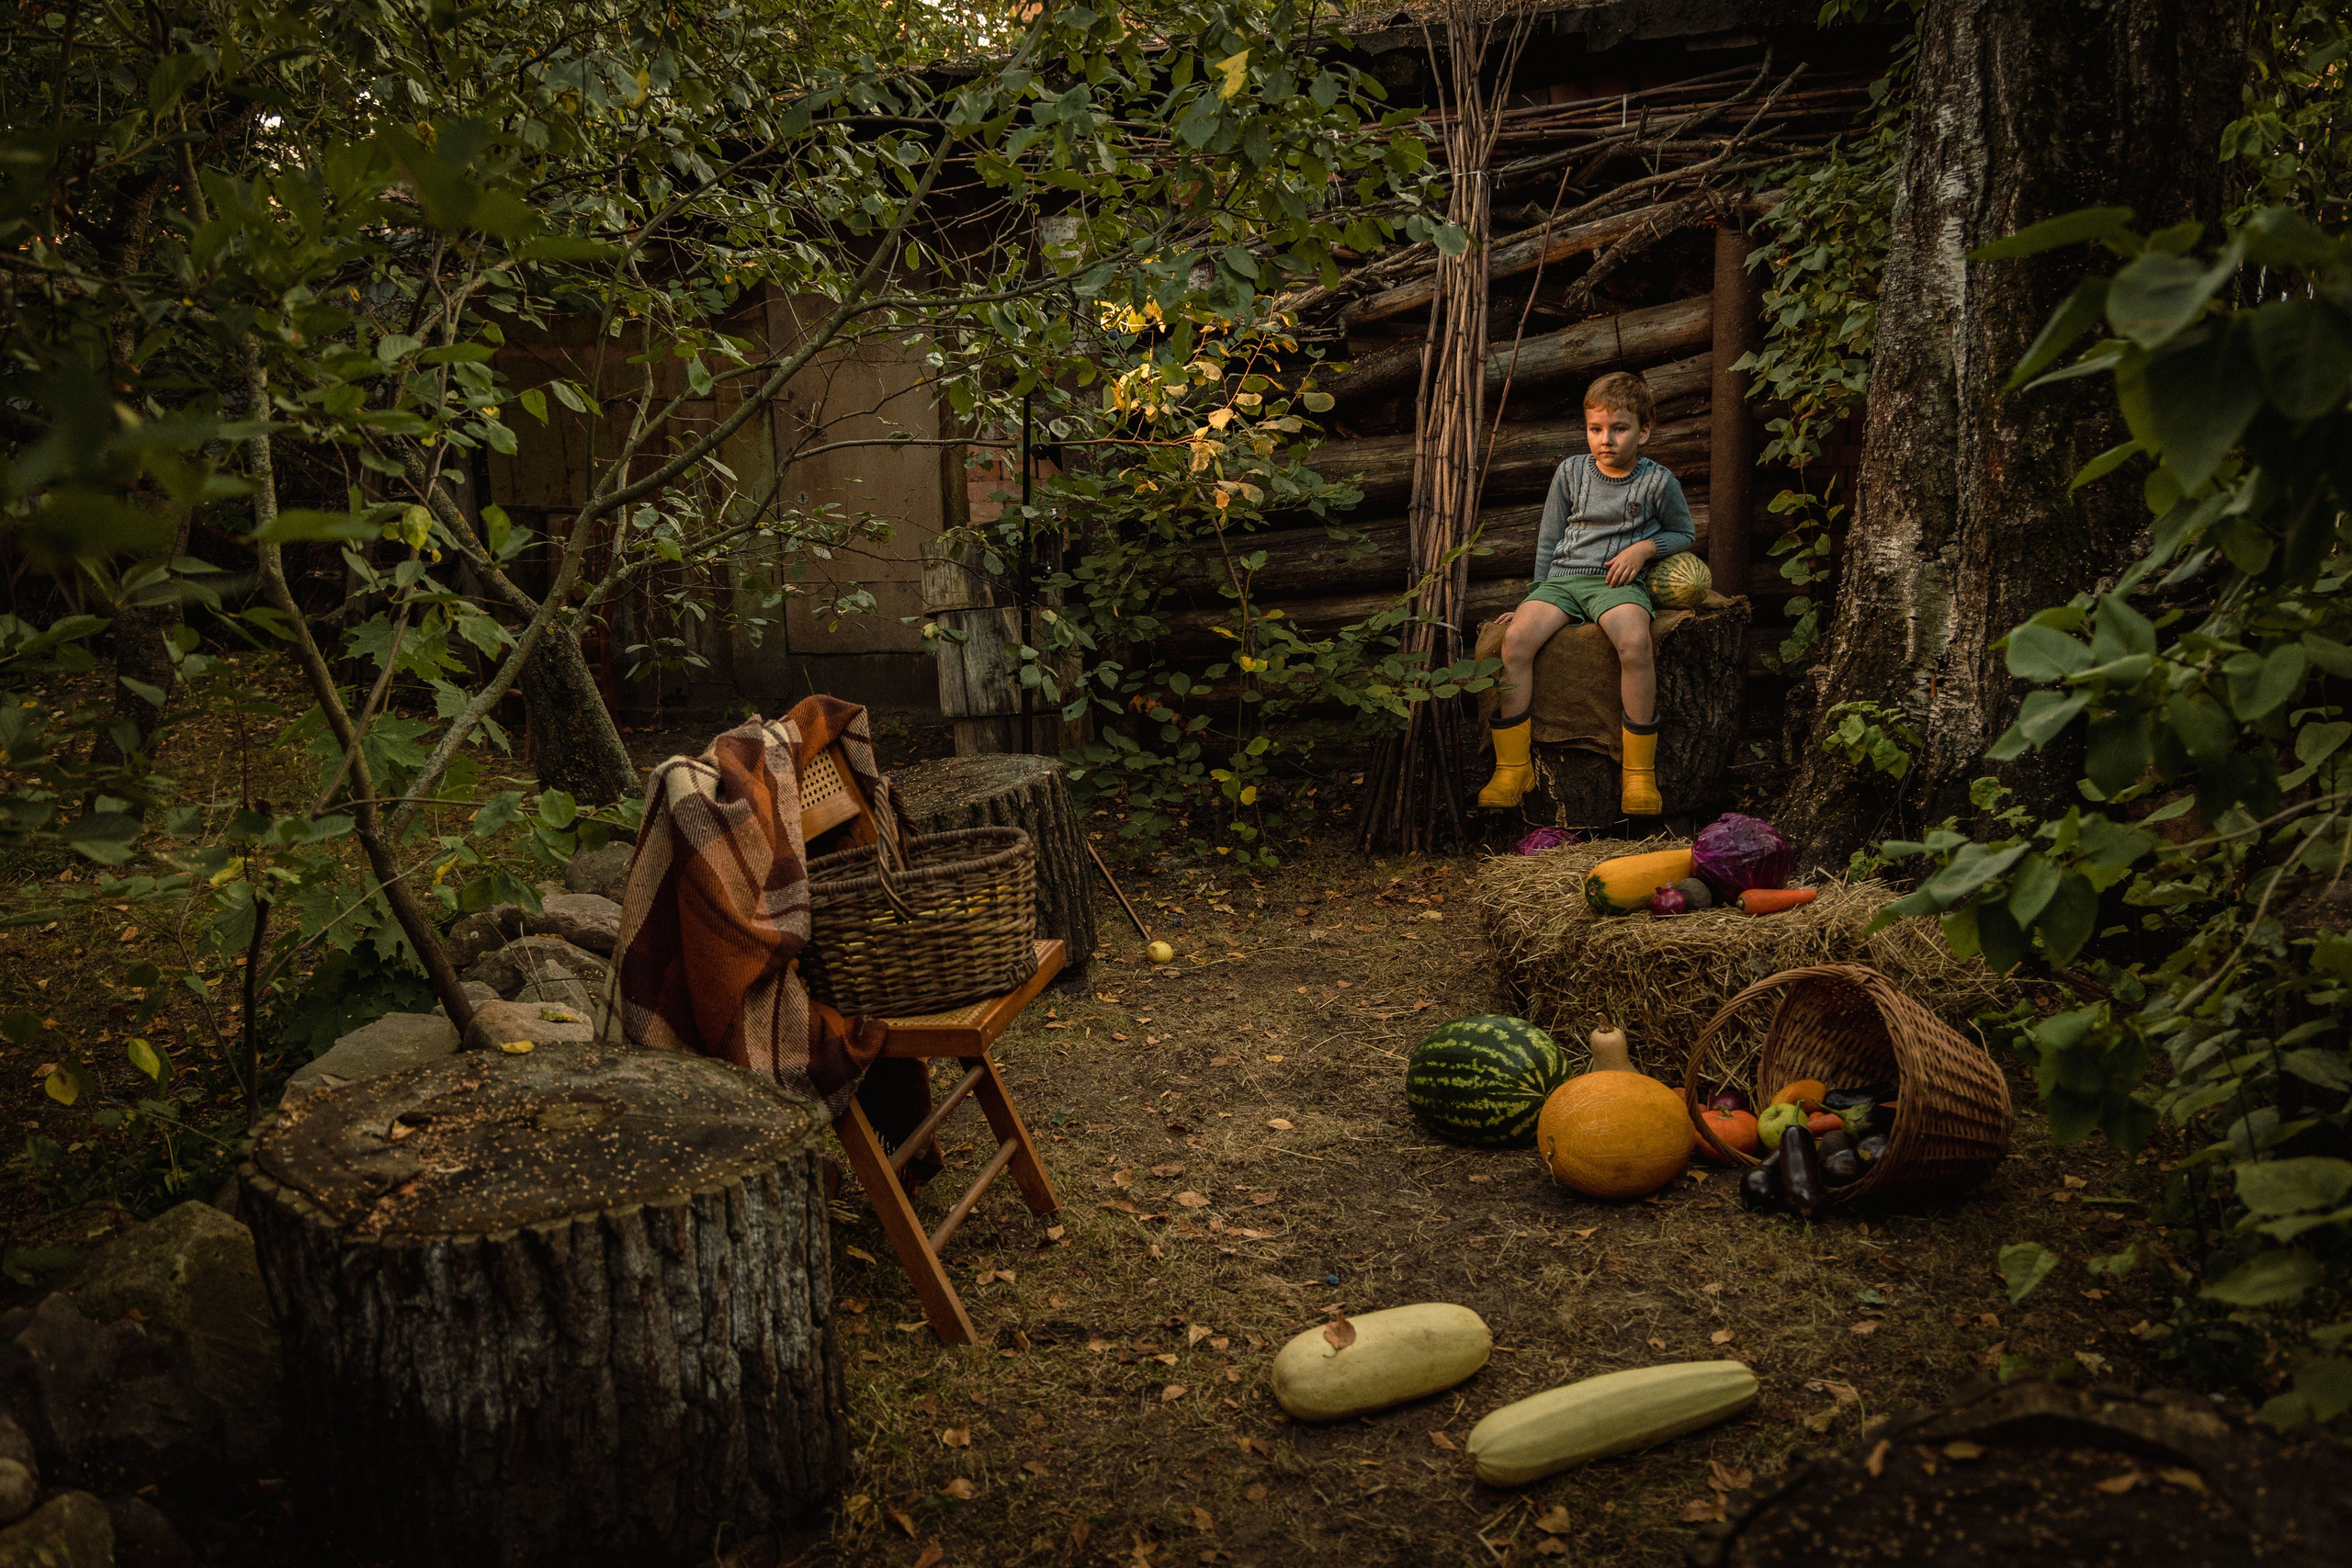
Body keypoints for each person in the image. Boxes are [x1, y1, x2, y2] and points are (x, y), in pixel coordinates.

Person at [1478, 369, 1696, 817]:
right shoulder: (1571, 472)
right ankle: (1513, 766)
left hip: (1616, 584)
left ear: (1645, 430)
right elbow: (1548, 537)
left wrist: (1645, 547)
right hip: (1562, 580)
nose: (1606, 440)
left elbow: (1684, 533)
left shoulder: (1658, 482)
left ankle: (1639, 776)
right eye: (1596, 429)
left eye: (1619, 428)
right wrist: (1532, 595)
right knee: (1516, 642)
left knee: (1635, 645)